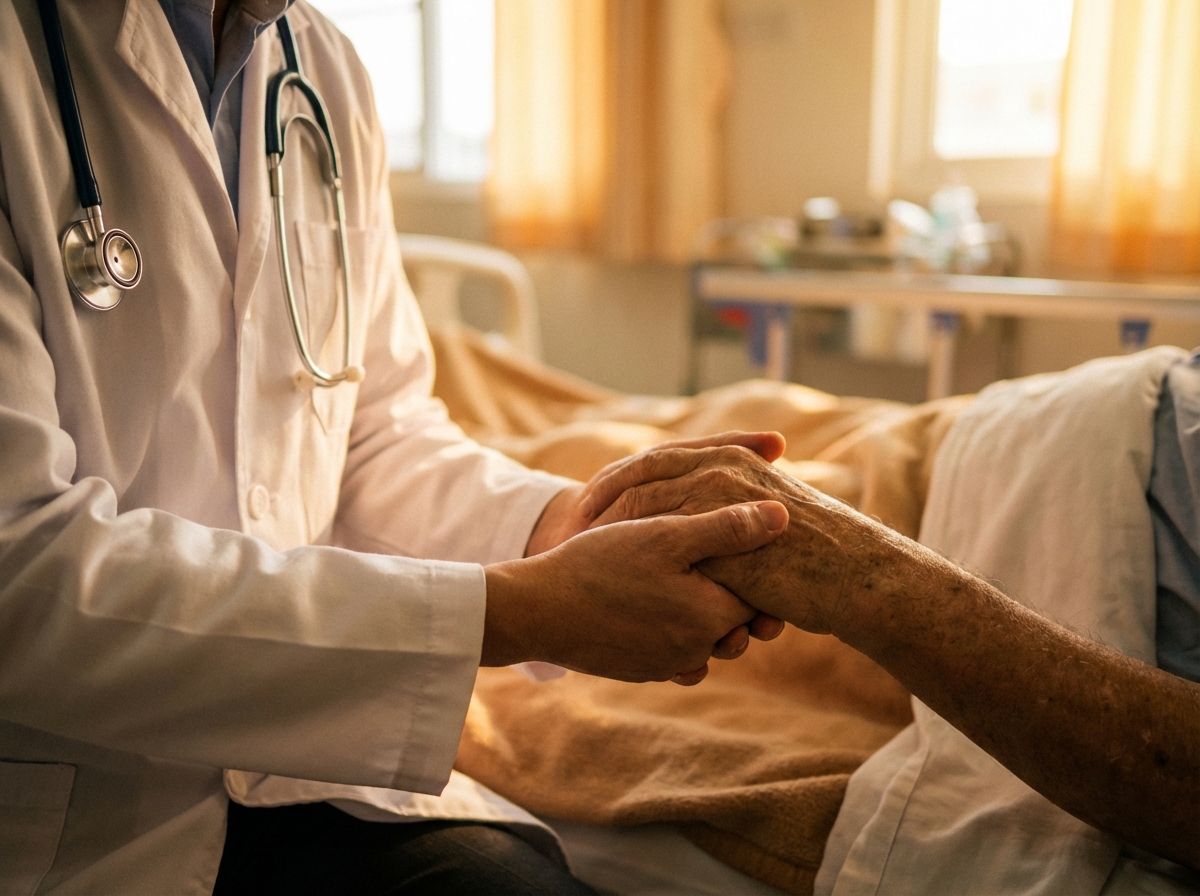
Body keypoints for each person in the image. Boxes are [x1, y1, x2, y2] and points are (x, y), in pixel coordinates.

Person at [0, 0, 790, 891]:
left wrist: (564, 525)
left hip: (293, 765)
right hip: (79, 816)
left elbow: (375, 431)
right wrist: (518, 610)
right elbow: (18, 569)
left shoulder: (321, 68)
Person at [577, 353, 1200, 883]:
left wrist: (864, 572)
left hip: (1016, 520)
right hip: (1026, 424)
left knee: (605, 494)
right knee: (660, 431)